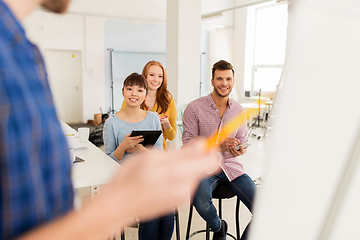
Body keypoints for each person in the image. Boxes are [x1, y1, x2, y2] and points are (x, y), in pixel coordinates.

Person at [0, 0, 220, 239]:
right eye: (135, 87)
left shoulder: (24, 51)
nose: (138, 92)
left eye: (155, 79)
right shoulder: (9, 52)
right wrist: (117, 204)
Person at [182, 60, 257, 240]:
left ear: (233, 81)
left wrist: (240, 150)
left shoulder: (239, 111)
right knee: (200, 202)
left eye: (228, 79)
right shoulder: (194, 108)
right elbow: (188, 145)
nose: (224, 83)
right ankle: (219, 227)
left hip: (232, 168)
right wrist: (217, 145)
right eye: (220, 79)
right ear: (212, 81)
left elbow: (242, 141)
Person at [104, 73, 174, 240]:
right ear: (123, 92)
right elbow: (107, 161)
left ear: (145, 95)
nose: (134, 93)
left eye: (139, 90)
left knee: (167, 211)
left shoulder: (152, 119)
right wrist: (123, 146)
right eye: (129, 89)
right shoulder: (112, 122)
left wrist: (141, 150)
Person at [122, 61, 177, 150]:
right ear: (144, 76)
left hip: (158, 156)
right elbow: (122, 129)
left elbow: (171, 137)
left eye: (160, 76)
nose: (156, 79)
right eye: (152, 75)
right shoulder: (132, 98)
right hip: (134, 154)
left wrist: (165, 123)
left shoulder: (169, 101)